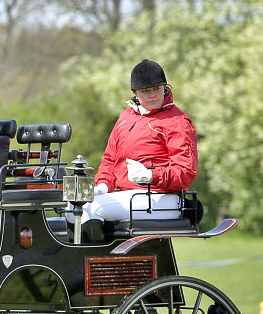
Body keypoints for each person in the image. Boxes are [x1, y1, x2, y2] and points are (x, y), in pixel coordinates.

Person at [78, 59, 198, 223]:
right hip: (128, 194)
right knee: (73, 207)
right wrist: (104, 184)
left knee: (90, 209)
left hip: (162, 197)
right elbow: (110, 159)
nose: (152, 95)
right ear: (135, 92)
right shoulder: (125, 117)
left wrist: (151, 175)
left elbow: (185, 172)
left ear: (165, 88)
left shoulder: (177, 122)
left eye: (156, 89)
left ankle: (93, 249)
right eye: (145, 90)